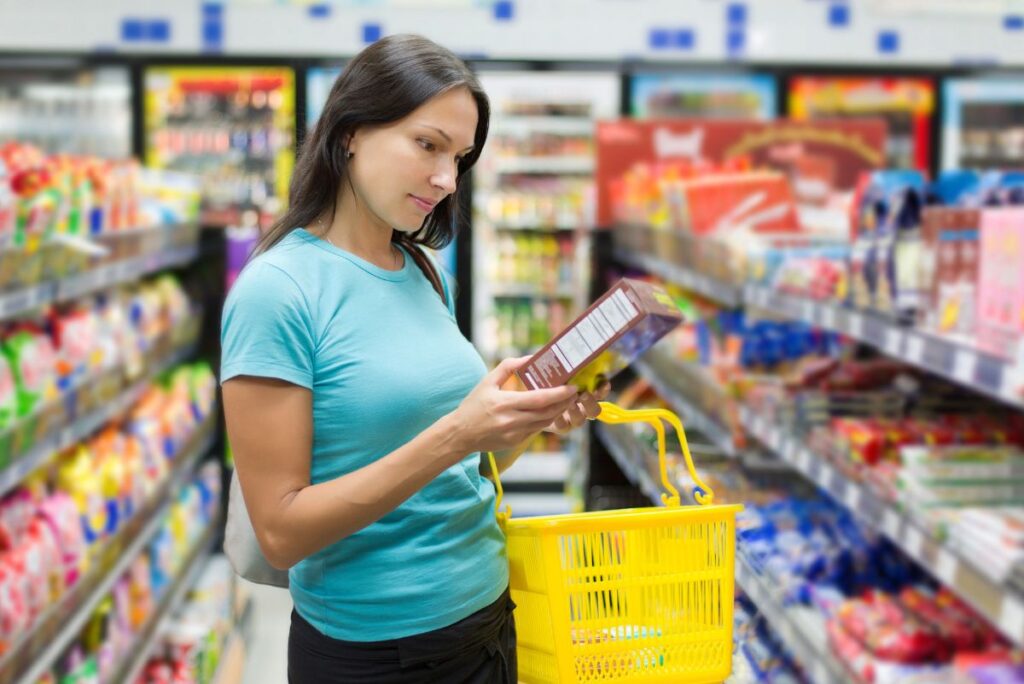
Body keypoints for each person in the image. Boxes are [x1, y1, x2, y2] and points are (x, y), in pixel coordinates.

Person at [221, 34, 607, 683]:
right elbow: (281, 531)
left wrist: (521, 421)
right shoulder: (277, 291)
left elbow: (459, 467)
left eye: (459, 156)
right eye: (427, 144)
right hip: (377, 655)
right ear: (350, 133)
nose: (445, 178)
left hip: (488, 621)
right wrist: (461, 430)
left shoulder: (424, 271)